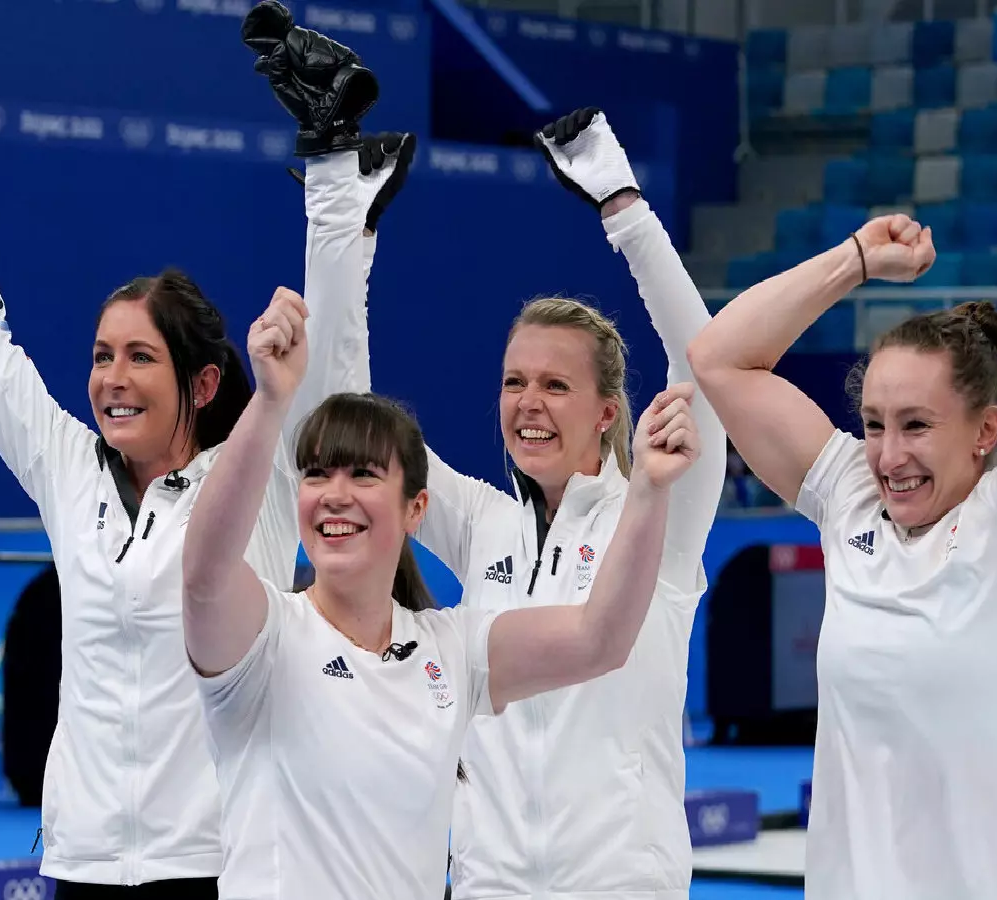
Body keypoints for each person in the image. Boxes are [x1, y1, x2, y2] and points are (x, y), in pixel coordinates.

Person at [252, 45, 728, 892]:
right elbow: (345, 416)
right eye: (514, 382)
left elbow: (711, 373)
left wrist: (624, 208)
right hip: (487, 884)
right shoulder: (479, 521)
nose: (527, 403)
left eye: (554, 385)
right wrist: (340, 231)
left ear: (608, 412)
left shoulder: (657, 511)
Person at [0, 65, 406, 898]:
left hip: (218, 867)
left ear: (204, 384)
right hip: (78, 863)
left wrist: (330, 178)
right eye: (103, 355)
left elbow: (333, 386)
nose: (112, 376)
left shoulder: (249, 481)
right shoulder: (67, 469)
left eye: (141, 357)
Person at [179, 286, 702, 900]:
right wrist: (270, 403)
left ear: (416, 509)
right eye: (316, 474)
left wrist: (646, 492)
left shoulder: (451, 651)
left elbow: (600, 638)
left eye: (364, 476)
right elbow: (204, 576)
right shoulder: (265, 639)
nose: (336, 494)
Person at [686, 184, 997, 899]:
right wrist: (856, 260)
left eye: (917, 425)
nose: (889, 455)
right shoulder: (850, 499)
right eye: (874, 423)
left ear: (986, 433)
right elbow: (719, 358)